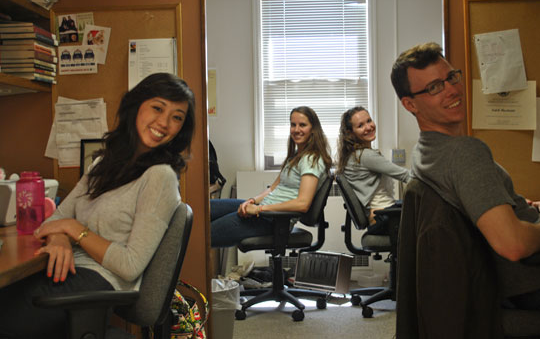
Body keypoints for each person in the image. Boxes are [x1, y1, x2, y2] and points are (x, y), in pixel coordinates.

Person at [0, 73, 196, 338]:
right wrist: (58, 237)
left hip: (96, 284)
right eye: (158, 108)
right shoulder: (103, 165)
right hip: (64, 270)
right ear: (136, 105)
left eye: (177, 117)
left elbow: (130, 265)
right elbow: (55, 218)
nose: (164, 122)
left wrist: (73, 229)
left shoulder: (159, 176)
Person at [390, 42, 540, 310]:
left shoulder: (424, 153)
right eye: (433, 87)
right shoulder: (464, 153)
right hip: (535, 281)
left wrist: (515, 207)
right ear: (410, 104)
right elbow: (513, 245)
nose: (452, 89)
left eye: (451, 77)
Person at [210, 106, 332, 248]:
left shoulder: (312, 160)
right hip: (265, 211)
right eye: (293, 125)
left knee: (205, 234)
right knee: (206, 208)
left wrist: (259, 210)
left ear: (313, 129)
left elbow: (302, 204)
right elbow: (273, 188)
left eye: (302, 125)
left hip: (274, 221)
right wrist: (252, 201)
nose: (296, 129)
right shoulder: (296, 156)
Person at [336, 106, 410, 235]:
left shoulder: (355, 155)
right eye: (360, 125)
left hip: (382, 215)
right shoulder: (365, 156)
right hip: (384, 217)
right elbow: (405, 176)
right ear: (351, 133)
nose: (368, 127)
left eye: (369, 121)